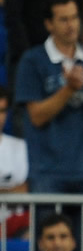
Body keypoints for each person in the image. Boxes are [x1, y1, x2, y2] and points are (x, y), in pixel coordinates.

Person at [14, 0, 83, 251]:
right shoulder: (33, 61)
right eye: (63, 19)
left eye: (74, 17)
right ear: (49, 23)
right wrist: (68, 89)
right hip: (48, 172)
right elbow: (36, 116)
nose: (71, 25)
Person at [0, 86, 29, 238]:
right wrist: (10, 191)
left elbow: (25, 189)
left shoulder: (20, 147)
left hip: (15, 223)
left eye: (2, 111)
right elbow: (17, 189)